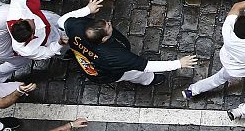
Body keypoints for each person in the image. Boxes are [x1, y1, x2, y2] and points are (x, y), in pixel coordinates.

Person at [63, 15, 196, 86]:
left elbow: (63, 20)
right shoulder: (116, 56)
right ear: (104, 39)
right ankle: (149, 80)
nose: (109, 23)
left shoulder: (77, 27)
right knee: (136, 73)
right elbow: (147, 66)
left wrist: (87, 9)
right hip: (108, 73)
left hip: (87, 62)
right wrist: (178, 64)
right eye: (108, 26)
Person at [7, 0, 103, 60]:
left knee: (59, 21)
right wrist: (59, 43)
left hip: (48, 19)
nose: (32, 19)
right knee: (67, 46)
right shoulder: (27, 50)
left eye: (28, 19)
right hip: (51, 39)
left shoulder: (16, 13)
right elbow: (48, 52)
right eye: (33, 23)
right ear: (32, 35)